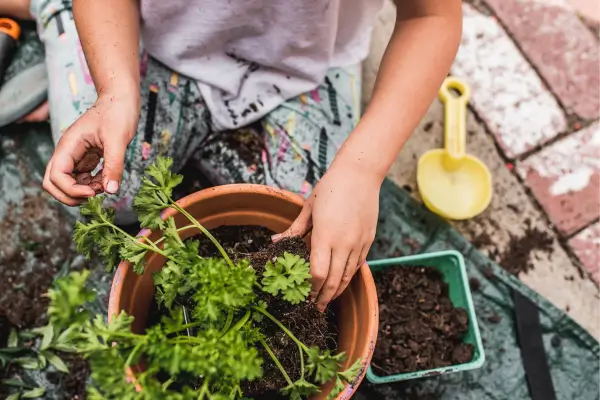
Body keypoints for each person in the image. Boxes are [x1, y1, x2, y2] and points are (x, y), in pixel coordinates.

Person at [1, 0, 462, 311]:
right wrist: (114, 91)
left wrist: (363, 169)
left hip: (307, 62)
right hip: (147, 33)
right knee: (104, 190)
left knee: (307, 238)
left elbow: (432, 16)